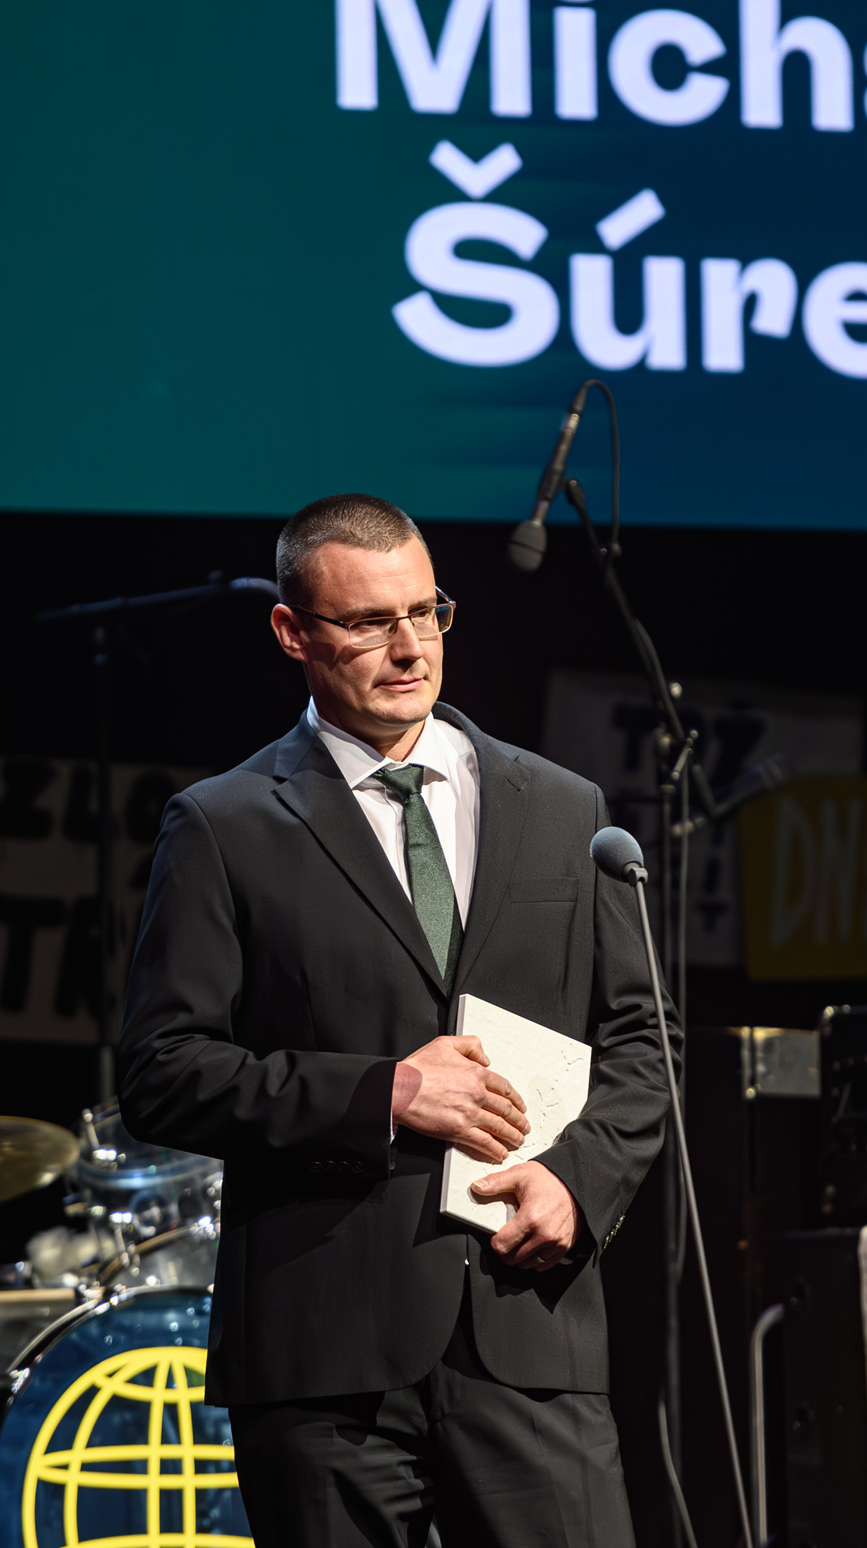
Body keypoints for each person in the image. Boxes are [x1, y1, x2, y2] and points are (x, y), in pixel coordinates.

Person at [118, 492, 679, 1548]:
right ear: (293, 631)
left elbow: (644, 1043)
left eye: (425, 611)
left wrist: (578, 1180)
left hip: (528, 1330)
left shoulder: (566, 809)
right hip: (325, 1358)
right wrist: (387, 1091)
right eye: (369, 621)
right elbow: (163, 1068)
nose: (410, 646)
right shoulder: (224, 824)